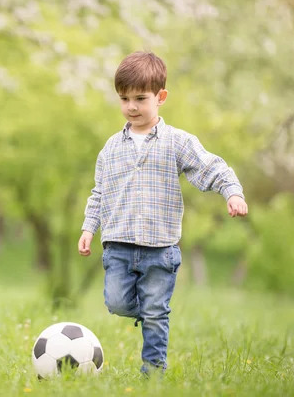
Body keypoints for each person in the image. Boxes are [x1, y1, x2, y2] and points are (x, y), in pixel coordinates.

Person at [77, 51, 248, 376]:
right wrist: (88, 229)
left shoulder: (176, 142)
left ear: (161, 97)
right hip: (119, 247)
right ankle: (152, 311)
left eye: (140, 98)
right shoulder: (110, 148)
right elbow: (99, 193)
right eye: (124, 98)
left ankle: (153, 369)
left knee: (155, 312)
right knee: (117, 303)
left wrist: (233, 191)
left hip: (161, 250)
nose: (131, 106)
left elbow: (210, 166)